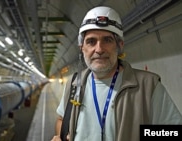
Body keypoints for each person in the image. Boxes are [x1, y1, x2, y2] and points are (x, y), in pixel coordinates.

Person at [51, 6, 182, 141]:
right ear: (82, 48)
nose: (99, 49)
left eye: (107, 40)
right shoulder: (74, 84)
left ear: (119, 45)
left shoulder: (147, 86)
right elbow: (61, 119)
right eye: (91, 41)